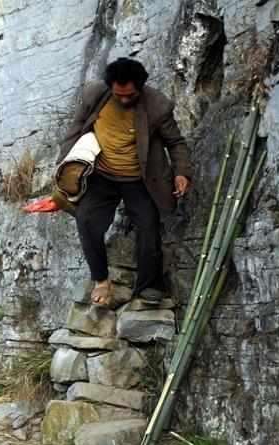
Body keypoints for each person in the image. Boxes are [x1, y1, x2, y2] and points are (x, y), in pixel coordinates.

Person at [56, 57, 193, 307]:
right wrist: (64, 169)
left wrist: (181, 172)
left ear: (140, 88)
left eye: (130, 95)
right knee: (86, 221)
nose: (124, 100)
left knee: (149, 226)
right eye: (119, 94)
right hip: (101, 175)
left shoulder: (157, 105)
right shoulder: (95, 95)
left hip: (139, 178)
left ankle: (149, 285)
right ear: (110, 88)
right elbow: (75, 128)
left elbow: (176, 142)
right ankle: (101, 279)